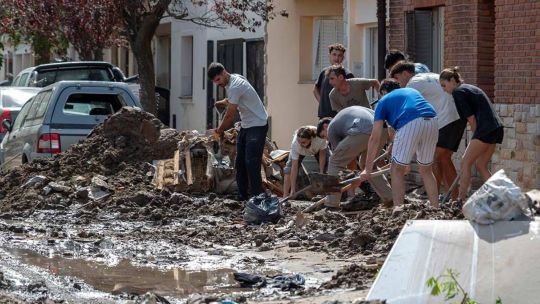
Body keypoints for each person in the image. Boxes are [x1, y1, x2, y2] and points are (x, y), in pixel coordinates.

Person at [390, 61, 466, 199]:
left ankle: (441, 198)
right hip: (457, 117)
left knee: (433, 160)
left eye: (397, 78)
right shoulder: (427, 77)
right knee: (443, 158)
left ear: (406, 73)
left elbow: (405, 110)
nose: (397, 83)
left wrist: (395, 139)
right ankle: (450, 198)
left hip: (447, 119)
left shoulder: (412, 83)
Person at [360, 79, 439, 208]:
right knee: (426, 170)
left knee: (396, 169)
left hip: (410, 122)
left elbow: (375, 138)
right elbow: (398, 127)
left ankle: (398, 210)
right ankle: (436, 208)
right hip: (432, 120)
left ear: (384, 92)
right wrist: (393, 145)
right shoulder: (410, 91)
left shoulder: (383, 101)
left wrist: (367, 169)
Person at [439, 67, 504, 201]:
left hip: (485, 129)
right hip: (496, 127)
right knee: (480, 165)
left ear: (452, 80)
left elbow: (472, 119)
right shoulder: (468, 88)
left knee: (465, 162)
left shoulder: (458, 92)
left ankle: (460, 200)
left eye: (444, 85)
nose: (444, 89)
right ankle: (500, 196)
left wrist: (475, 137)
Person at [208, 62, 269, 201]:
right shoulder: (233, 79)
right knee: (240, 162)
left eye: (218, 80)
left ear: (224, 72)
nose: (217, 84)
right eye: (214, 82)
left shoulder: (236, 85)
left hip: (258, 125)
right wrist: (225, 101)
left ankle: (257, 197)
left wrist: (219, 130)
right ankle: (242, 196)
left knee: (251, 162)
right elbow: (238, 98)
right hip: (246, 125)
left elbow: (229, 115)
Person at [317, 107, 392, 205]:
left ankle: (331, 204)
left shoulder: (331, 128)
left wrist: (351, 178)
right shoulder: (344, 120)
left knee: (334, 162)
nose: (326, 140)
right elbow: (349, 158)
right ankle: (390, 198)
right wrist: (352, 176)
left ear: (325, 126)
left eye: (323, 136)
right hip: (382, 130)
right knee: (367, 164)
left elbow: (343, 160)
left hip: (362, 129)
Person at [282, 126, 327, 197]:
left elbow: (322, 155)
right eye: (299, 141)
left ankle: (327, 194)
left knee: (328, 167)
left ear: (311, 139)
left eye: (303, 142)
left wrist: (321, 173)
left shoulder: (320, 139)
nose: (300, 144)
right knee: (289, 169)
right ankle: (285, 195)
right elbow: (294, 166)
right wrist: (293, 189)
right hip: (300, 152)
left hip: (318, 150)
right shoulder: (296, 144)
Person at [313, 43, 354, 118]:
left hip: (339, 116)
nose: (336, 58)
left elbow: (352, 96)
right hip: (323, 116)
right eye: (334, 54)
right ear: (329, 55)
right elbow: (315, 89)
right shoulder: (324, 72)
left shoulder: (347, 74)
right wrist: (322, 102)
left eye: (340, 55)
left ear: (343, 58)